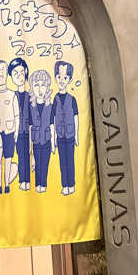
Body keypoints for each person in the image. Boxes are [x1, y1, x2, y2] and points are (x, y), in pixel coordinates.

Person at [0, 60, 18, 194]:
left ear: (7, 74)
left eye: (2, 69)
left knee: (8, 158)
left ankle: (6, 184)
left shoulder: (12, 94)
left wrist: (16, 132)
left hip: (9, 131)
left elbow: (17, 115)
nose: (0, 72)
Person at [52, 61, 79, 195]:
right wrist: (53, 139)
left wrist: (77, 136)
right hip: (60, 135)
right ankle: (65, 186)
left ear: (69, 79)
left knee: (70, 161)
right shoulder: (55, 99)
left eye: (65, 77)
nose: (62, 80)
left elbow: (76, 118)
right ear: (55, 78)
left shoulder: (72, 99)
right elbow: (53, 119)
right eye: (59, 77)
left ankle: (71, 185)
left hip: (70, 135)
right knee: (62, 162)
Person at [29, 69, 55, 193]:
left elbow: (52, 125)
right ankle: (37, 185)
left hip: (47, 141)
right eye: (36, 85)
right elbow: (30, 128)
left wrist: (53, 144)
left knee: (44, 164)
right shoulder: (31, 107)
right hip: (35, 141)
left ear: (47, 87)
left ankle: (43, 185)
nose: (40, 89)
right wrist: (30, 150)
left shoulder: (50, 106)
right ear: (32, 87)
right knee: (36, 164)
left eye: (43, 85)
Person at [9, 57, 33, 191]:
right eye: (15, 73)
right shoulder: (12, 96)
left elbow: (32, 119)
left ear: (26, 72)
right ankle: (22, 181)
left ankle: (27, 181)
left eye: (21, 72)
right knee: (20, 156)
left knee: (27, 155)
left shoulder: (30, 96)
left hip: (27, 131)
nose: (19, 76)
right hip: (17, 132)